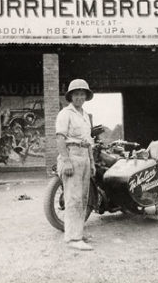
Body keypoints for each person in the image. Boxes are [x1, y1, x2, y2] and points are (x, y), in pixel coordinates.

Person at [55, 79, 96, 251]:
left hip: (85, 156)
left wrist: (92, 161)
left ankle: (78, 232)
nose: (79, 97)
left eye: (82, 94)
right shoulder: (65, 113)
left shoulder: (85, 116)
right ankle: (72, 238)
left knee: (83, 198)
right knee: (73, 198)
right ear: (71, 96)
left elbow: (88, 142)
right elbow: (60, 139)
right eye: (76, 94)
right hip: (71, 155)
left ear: (86, 96)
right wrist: (66, 161)